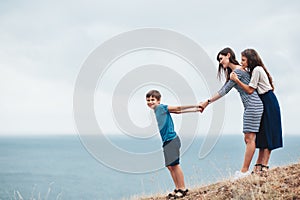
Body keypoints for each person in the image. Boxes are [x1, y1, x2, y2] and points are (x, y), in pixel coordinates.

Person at [199, 47, 263, 180]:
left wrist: (207, 102)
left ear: (228, 55)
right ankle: (250, 168)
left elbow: (224, 90)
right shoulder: (238, 71)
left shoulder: (237, 72)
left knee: (249, 139)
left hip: (252, 106)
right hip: (251, 106)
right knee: (249, 139)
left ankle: (244, 171)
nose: (220, 62)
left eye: (221, 59)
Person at [230, 49, 283, 174]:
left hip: (268, 101)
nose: (241, 62)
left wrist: (236, 80)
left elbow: (250, 90)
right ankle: (259, 164)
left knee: (269, 133)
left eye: (243, 60)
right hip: (263, 102)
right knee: (263, 134)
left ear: (250, 59)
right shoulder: (253, 70)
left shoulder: (257, 70)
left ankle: (264, 165)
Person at [146, 90, 201, 199]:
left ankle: (182, 189)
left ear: (158, 100)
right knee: (169, 166)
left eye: (153, 100)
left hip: (172, 140)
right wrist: (195, 110)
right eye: (148, 100)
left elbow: (177, 108)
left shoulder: (160, 107)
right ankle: (177, 188)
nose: (150, 102)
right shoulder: (157, 110)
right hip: (167, 141)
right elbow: (177, 112)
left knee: (175, 165)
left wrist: (195, 106)